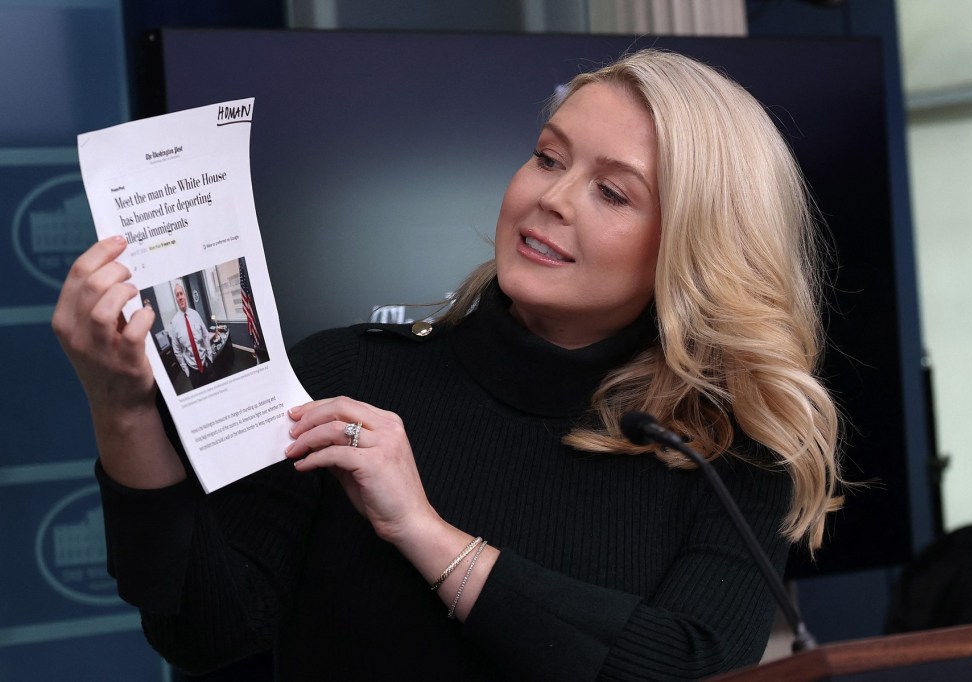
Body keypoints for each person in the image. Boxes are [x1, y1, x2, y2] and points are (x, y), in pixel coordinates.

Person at [52, 49, 843, 680]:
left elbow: (689, 668)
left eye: (612, 192)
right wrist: (122, 409)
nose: (552, 197)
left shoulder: (724, 453)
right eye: (547, 158)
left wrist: (422, 531)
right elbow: (199, 631)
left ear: (693, 248)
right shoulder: (344, 374)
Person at [168, 282, 215, 389]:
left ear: (185, 295)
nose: (180, 297)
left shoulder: (195, 314)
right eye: (177, 295)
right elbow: (177, 351)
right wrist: (187, 371)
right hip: (193, 371)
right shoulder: (174, 323)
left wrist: (210, 357)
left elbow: (205, 336)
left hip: (206, 363)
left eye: (181, 293)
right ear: (176, 299)